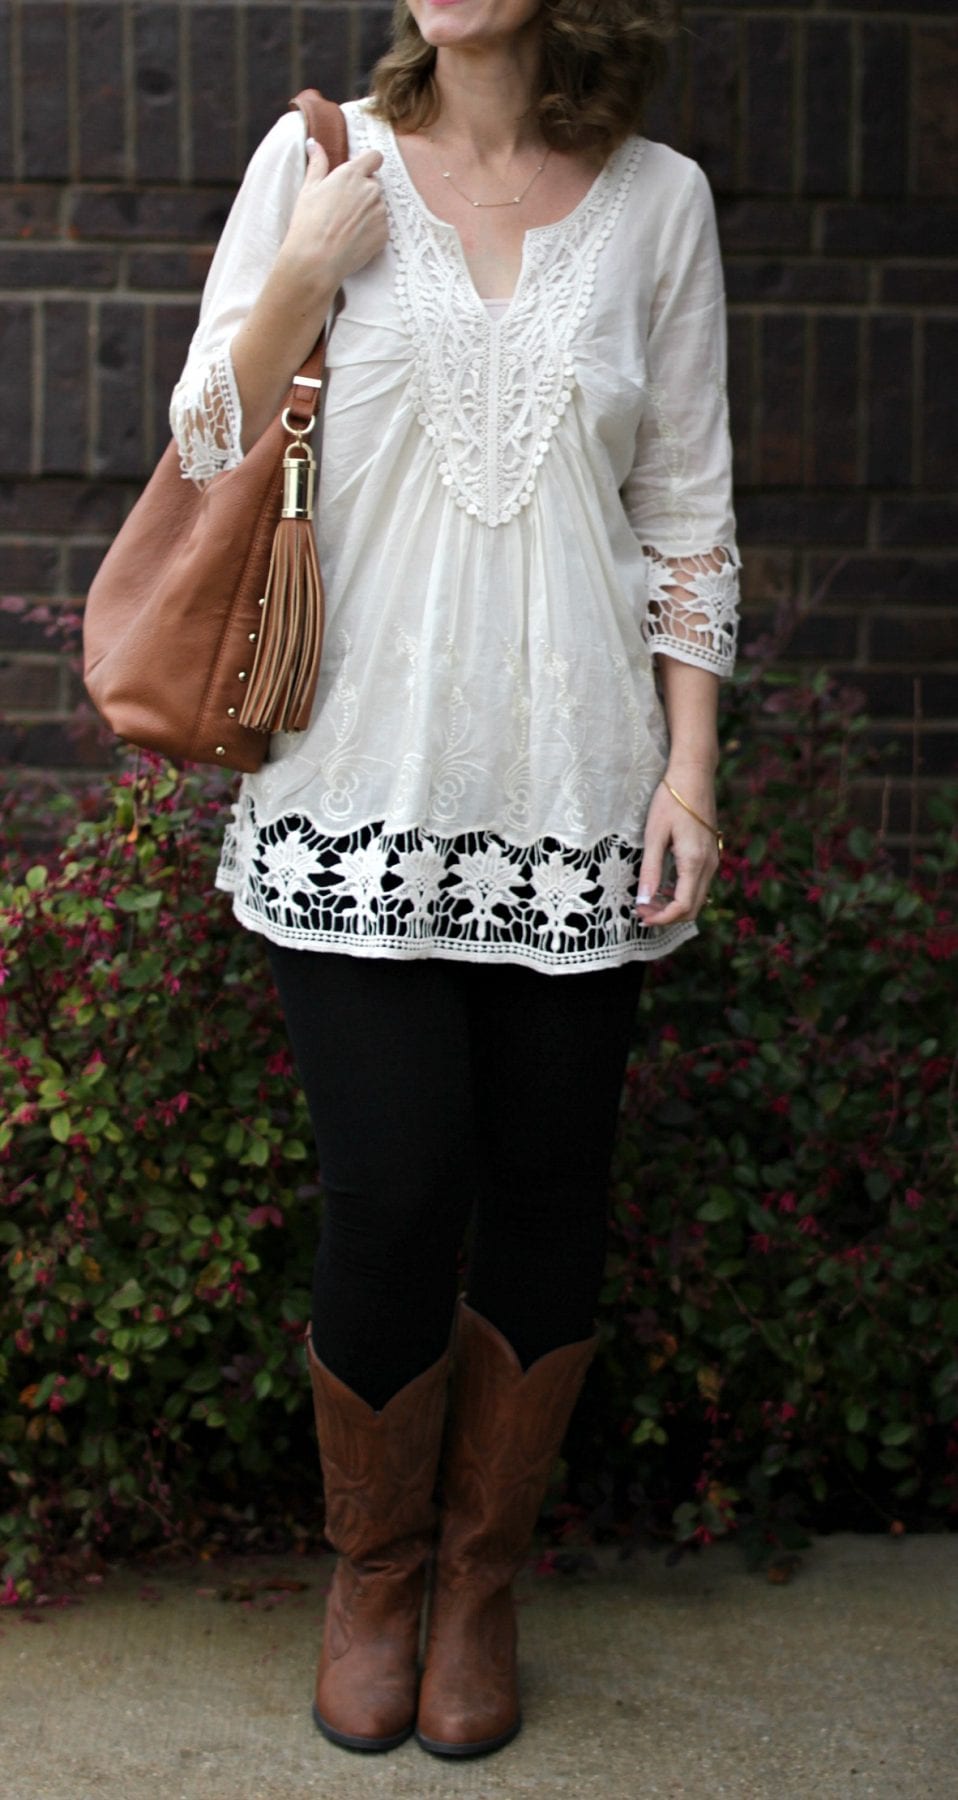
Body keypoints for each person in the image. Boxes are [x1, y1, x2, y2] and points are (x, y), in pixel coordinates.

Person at [169, 0, 740, 1763]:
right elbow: (203, 440)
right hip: (361, 787)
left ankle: (479, 1587)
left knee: (552, 1193)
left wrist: (691, 775)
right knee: (398, 1189)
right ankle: (373, 1573)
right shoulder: (318, 160)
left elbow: (688, 511)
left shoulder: (657, 202)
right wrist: (302, 274)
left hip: (578, 791)